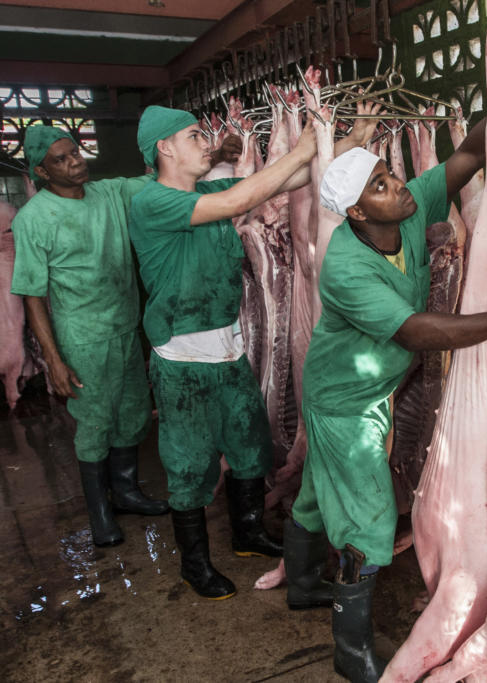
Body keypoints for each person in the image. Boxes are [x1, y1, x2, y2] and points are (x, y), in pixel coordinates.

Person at [286, 112, 487, 681]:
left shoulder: (411, 205)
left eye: (390, 175)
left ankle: (302, 586)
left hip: (374, 389)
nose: (397, 186)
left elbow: (470, 156)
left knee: (316, 493)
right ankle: (350, 652)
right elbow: (414, 332)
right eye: (379, 186)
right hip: (343, 400)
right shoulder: (345, 267)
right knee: (369, 519)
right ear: (355, 213)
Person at [127, 104, 379, 601]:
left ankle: (246, 533)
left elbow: (278, 183)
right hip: (184, 361)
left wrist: (349, 140)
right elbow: (245, 195)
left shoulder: (209, 192)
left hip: (230, 348)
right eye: (196, 136)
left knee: (249, 447)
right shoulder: (151, 201)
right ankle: (194, 565)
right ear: (165, 147)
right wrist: (307, 144)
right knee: (190, 464)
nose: (207, 143)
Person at [10, 124, 237, 547]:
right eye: (60, 160)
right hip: (81, 335)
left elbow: (163, 179)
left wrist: (217, 153)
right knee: (95, 420)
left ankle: (127, 491)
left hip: (125, 325)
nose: (75, 162)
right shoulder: (33, 219)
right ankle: (100, 511)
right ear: (41, 172)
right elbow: (32, 294)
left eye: (74, 152)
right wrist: (54, 359)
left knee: (133, 412)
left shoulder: (110, 193)